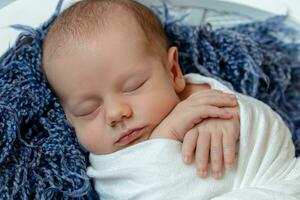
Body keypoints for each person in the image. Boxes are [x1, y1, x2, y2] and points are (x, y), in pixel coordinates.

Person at [41, 0, 300, 200]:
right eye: (88, 109)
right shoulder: (109, 168)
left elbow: (273, 131)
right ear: (69, 118)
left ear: (173, 71)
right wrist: (167, 133)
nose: (116, 113)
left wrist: (223, 114)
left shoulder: (205, 95)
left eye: (134, 86)